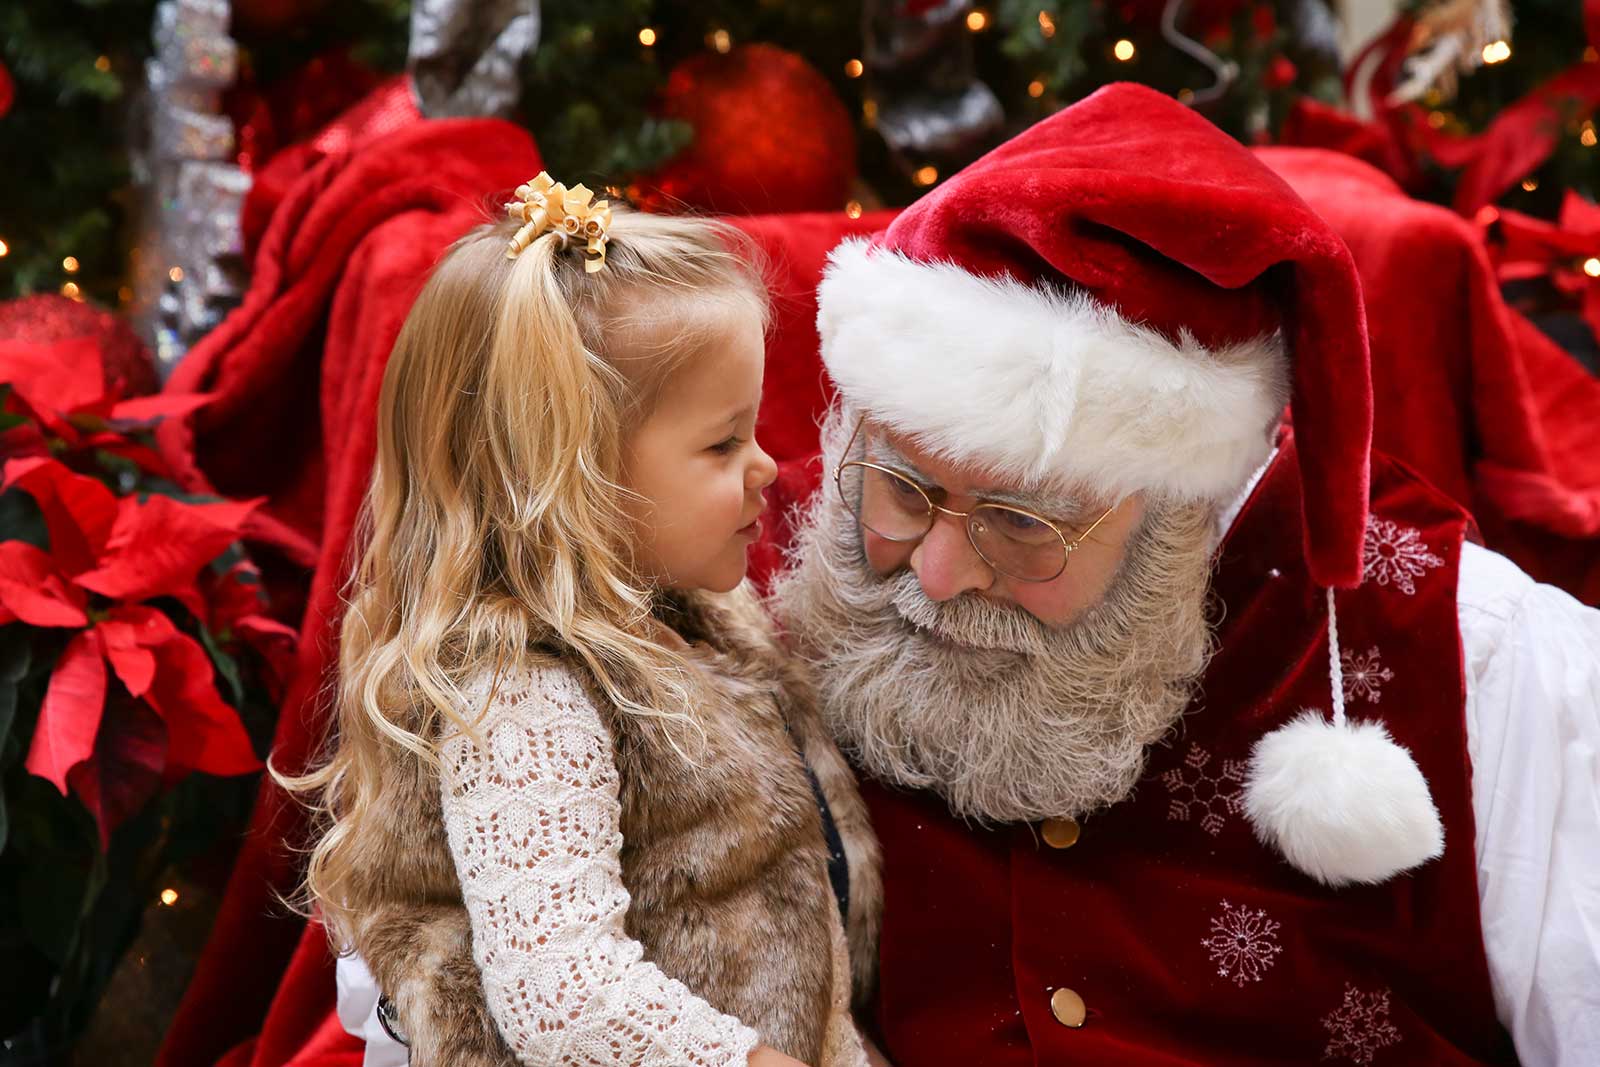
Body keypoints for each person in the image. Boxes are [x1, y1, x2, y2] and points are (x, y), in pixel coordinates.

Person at [767, 82, 1600, 1066]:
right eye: (904, 490)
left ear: (1186, 519)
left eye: (1022, 522)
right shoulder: (752, 561)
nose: (938, 574)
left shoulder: (1476, 656)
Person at [283, 173, 880, 1067]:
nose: (765, 465)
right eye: (723, 442)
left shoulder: (692, 614)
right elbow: (562, 993)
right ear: (574, 476)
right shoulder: (523, 698)